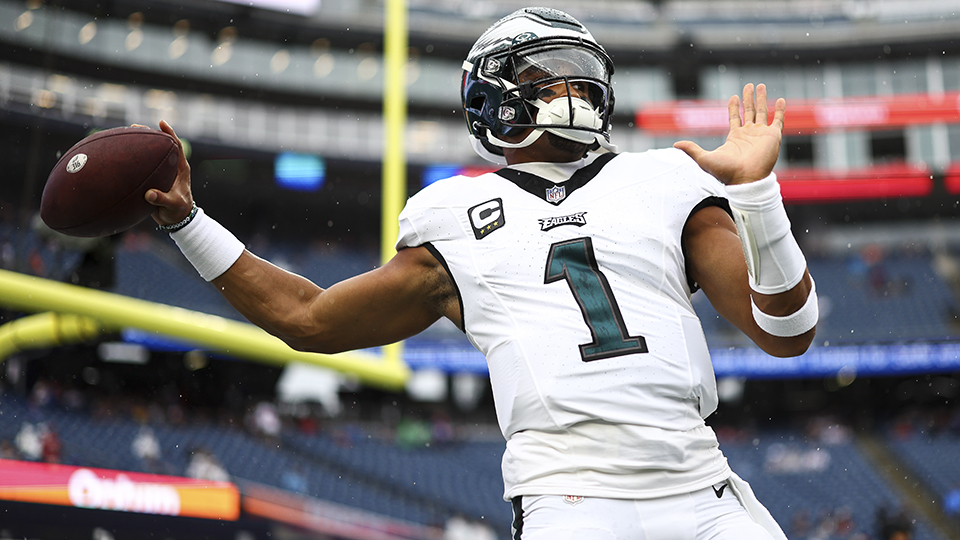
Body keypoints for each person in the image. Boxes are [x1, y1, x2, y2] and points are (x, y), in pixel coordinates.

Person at [145, 7, 816, 539]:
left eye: (580, 75)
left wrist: (758, 194)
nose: (573, 89)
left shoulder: (668, 175)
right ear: (493, 99)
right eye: (548, 76)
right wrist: (187, 222)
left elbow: (786, 333)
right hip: (571, 499)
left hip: (700, 485)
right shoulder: (454, 213)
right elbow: (307, 319)